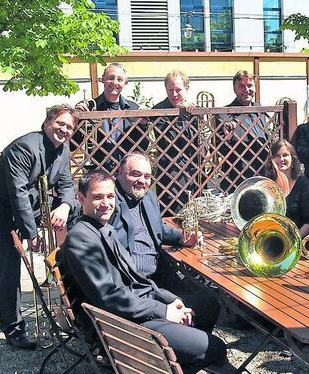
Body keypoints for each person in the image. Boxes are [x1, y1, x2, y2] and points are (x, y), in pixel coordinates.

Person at [59, 170, 227, 371]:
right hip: (123, 326)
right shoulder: (81, 239)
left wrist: (168, 299)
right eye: (98, 197)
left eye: (110, 196)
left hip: (136, 309)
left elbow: (137, 279)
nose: (105, 203)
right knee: (214, 348)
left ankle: (177, 357)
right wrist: (163, 311)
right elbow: (109, 298)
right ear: (81, 198)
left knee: (208, 303)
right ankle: (169, 362)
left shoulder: (101, 228)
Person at [0, 104, 77, 349]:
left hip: (25, 211)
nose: (64, 130)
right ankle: (13, 330)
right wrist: (31, 234)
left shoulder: (64, 150)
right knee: (8, 271)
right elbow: (18, 193)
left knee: (76, 214)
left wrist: (66, 206)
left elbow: (67, 184)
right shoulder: (24, 147)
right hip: (0, 214)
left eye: (69, 127)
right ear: (47, 123)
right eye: (60, 124)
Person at [109, 152, 221, 334]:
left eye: (147, 176)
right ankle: (183, 347)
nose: (142, 181)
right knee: (189, 308)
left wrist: (181, 237)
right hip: (134, 283)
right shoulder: (111, 201)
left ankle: (188, 348)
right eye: (135, 174)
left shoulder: (148, 198)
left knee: (209, 302)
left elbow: (158, 226)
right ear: (120, 173)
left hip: (159, 273)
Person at [74, 63, 144, 170]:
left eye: (120, 79)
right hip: (97, 171)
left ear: (125, 83)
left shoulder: (133, 108)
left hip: (126, 171)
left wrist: (143, 125)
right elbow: (73, 145)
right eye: (111, 78)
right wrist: (77, 120)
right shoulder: (90, 106)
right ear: (102, 79)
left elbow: (142, 146)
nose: (115, 82)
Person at [152, 70, 200, 213]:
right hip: (171, 174)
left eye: (178, 90)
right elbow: (167, 141)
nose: (173, 94)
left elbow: (203, 141)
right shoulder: (158, 110)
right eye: (170, 90)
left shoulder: (195, 110)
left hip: (195, 172)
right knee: (173, 216)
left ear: (187, 88)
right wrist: (178, 116)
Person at [217, 70, 269, 193]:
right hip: (236, 180)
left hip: (262, 176)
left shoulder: (261, 110)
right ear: (234, 89)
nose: (246, 90)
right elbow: (218, 150)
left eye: (250, 86)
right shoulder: (224, 114)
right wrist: (227, 139)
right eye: (241, 86)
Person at [262, 140, 309, 237]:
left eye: (285, 155)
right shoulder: (266, 184)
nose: (281, 159)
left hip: (295, 238)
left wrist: (293, 241)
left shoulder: (304, 185)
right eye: (277, 156)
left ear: (293, 159)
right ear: (272, 159)